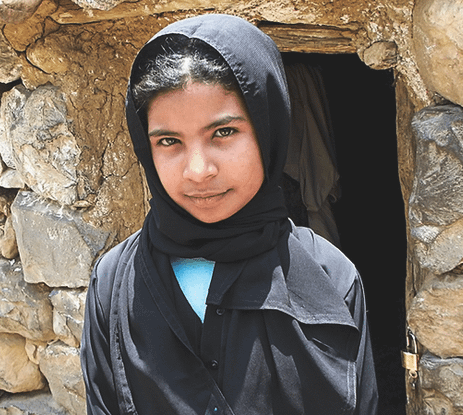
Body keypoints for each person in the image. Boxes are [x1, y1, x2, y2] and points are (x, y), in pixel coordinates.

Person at [81, 14, 378, 415]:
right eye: (169, 141)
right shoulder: (114, 284)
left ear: (268, 130)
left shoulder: (330, 278)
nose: (198, 170)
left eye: (223, 133)